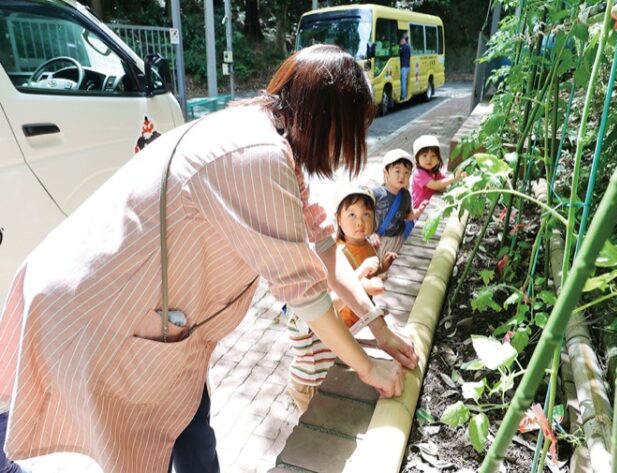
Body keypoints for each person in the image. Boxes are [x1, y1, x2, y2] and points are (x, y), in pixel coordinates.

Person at [0, 45, 416, 473]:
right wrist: (368, 368)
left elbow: (325, 247)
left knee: (188, 420)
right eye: (351, 131)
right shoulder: (257, 156)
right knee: (88, 439)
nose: (350, 145)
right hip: (99, 304)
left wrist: (378, 329)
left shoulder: (269, 139)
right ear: (328, 120)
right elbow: (307, 294)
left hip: (157, 319)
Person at [287, 186, 401, 412]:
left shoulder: (366, 246)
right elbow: (325, 306)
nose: (360, 221)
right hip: (309, 385)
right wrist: (360, 282)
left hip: (328, 371)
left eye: (366, 214)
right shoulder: (298, 312)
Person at [370, 149, 428, 260]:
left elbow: (407, 215)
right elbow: (365, 215)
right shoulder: (376, 193)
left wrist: (419, 211)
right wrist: (371, 233)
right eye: (397, 171)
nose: (402, 176)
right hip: (377, 240)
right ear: (386, 172)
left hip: (396, 240)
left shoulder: (405, 196)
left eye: (406, 173)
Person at [411, 135, 468, 209]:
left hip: (429, 205)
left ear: (438, 158)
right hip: (419, 210)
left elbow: (446, 181)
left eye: (433, 156)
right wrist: (454, 177)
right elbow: (435, 185)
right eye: (424, 155)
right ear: (417, 158)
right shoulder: (418, 173)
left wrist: (460, 178)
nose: (429, 159)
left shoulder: (434, 172)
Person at [399, 33, 411, 101]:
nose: (401, 40)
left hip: (404, 66)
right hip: (407, 66)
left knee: (403, 81)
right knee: (404, 80)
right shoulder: (408, 46)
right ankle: (404, 94)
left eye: (402, 39)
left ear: (404, 40)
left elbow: (400, 52)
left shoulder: (404, 47)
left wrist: (400, 45)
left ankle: (403, 95)